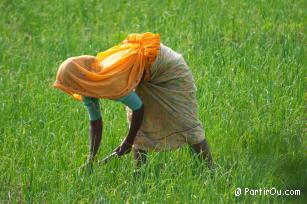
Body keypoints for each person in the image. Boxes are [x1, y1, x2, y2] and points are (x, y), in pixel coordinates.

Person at [54, 32, 213, 170]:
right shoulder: (88, 86)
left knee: (184, 120)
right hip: (145, 72)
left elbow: (139, 109)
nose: (73, 90)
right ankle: (140, 173)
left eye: (72, 85)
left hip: (168, 67)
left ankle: (211, 168)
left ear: (79, 78)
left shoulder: (111, 81)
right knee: (136, 125)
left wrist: (128, 142)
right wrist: (91, 159)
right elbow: (95, 122)